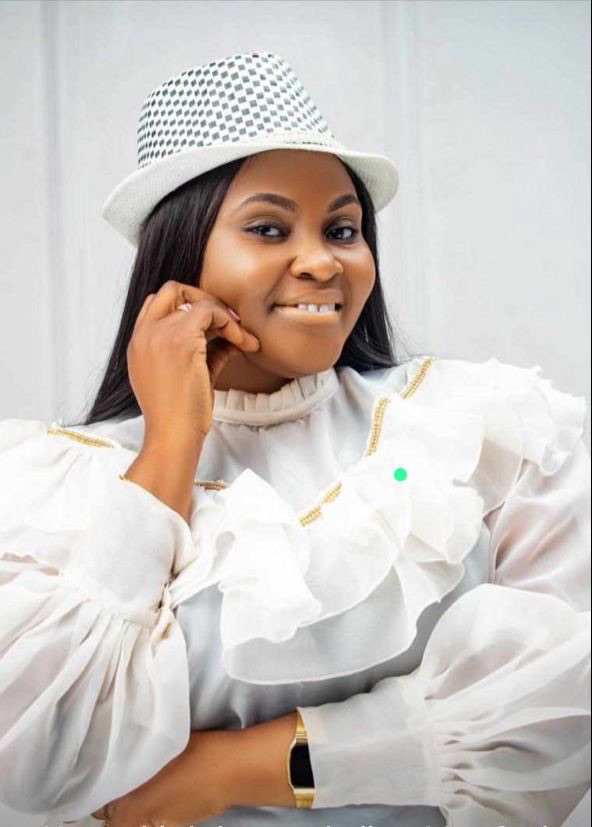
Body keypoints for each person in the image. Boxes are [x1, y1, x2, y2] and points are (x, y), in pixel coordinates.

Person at [0, 51, 590, 827]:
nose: (320, 261)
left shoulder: (479, 427)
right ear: (179, 257)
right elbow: (37, 755)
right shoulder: (49, 484)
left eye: (342, 228)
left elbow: (567, 690)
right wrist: (170, 443)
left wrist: (246, 766)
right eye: (269, 228)